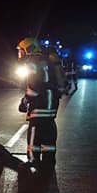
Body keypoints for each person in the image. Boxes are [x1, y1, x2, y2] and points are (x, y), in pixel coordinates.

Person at [17, 37, 66, 169]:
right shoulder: (47, 61)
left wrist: (24, 101)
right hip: (52, 103)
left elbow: (34, 87)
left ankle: (33, 160)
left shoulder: (32, 63)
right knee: (48, 133)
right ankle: (49, 161)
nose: (20, 54)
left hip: (40, 105)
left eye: (21, 50)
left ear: (28, 49)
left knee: (34, 132)